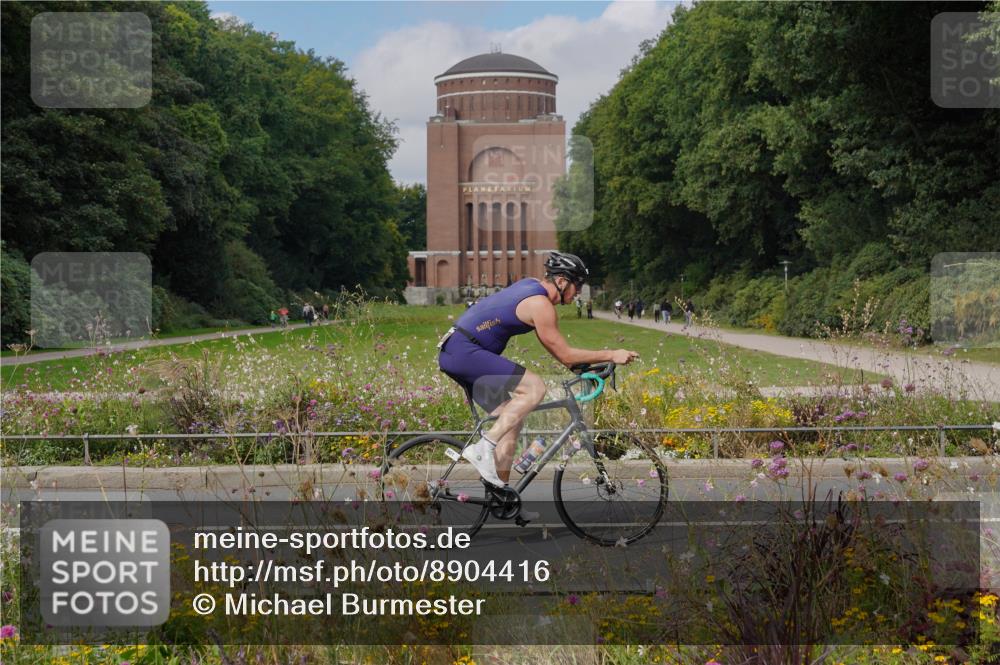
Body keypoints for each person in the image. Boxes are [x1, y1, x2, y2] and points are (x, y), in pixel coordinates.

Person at [438, 252, 639, 489]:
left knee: (511, 422)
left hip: (455, 351)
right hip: (464, 352)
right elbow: (565, 353)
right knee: (535, 387)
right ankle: (483, 447)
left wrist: (586, 368)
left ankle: (500, 496)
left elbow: (561, 355)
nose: (577, 293)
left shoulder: (531, 286)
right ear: (562, 282)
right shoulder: (541, 304)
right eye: (577, 285)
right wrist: (612, 354)